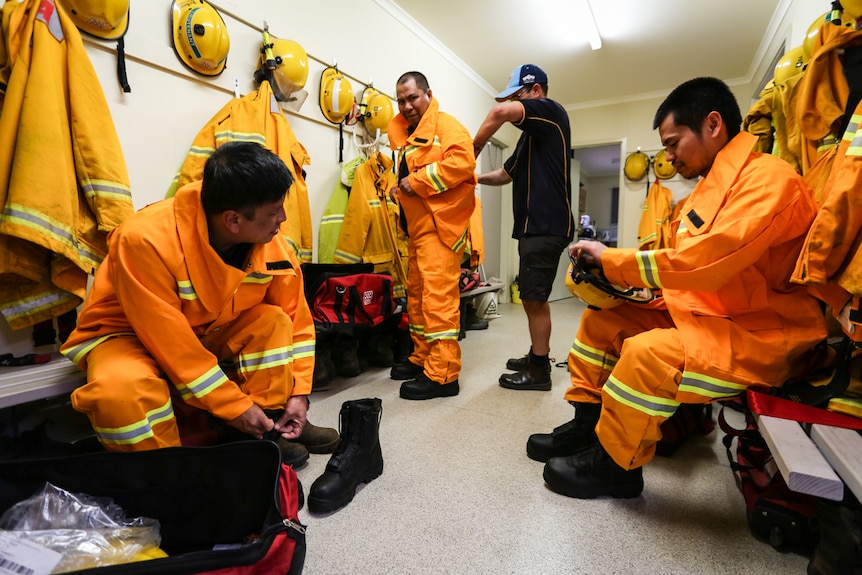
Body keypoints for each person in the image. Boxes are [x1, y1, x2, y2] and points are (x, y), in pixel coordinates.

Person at [527, 77, 828, 499]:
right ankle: (588, 427)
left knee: (647, 355)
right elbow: (686, 266)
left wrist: (613, 260)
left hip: (763, 332)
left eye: (672, 143)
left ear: (713, 124)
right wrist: (624, 287)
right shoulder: (709, 190)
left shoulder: (769, 181)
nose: (668, 157)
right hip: (711, 312)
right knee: (599, 323)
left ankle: (617, 465)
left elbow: (706, 263)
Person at [60, 141, 337, 467]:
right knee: (119, 391)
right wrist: (234, 407)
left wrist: (299, 394)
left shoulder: (272, 243)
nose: (284, 218)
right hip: (126, 336)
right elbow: (172, 344)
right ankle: (165, 474)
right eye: (274, 210)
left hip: (202, 330)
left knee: (273, 321)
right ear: (233, 220)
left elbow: (297, 321)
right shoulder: (145, 239)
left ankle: (269, 427)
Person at [472, 64, 575, 392]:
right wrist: (471, 178)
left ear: (536, 91)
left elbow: (500, 111)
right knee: (533, 295)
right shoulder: (531, 137)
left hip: (546, 224)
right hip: (535, 226)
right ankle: (536, 355)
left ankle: (539, 370)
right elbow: (505, 175)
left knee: (533, 298)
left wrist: (470, 151)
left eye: (520, 95)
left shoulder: (551, 112)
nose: (516, 102)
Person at [386, 71, 477, 400]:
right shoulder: (406, 135)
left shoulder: (446, 125)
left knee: (438, 301)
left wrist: (419, 181)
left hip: (439, 228)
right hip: (417, 230)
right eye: (401, 100)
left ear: (427, 94)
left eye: (412, 97)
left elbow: (464, 163)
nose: (406, 105)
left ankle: (443, 375)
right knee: (420, 300)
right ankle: (424, 358)